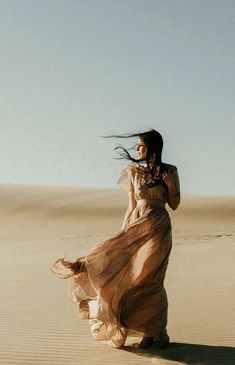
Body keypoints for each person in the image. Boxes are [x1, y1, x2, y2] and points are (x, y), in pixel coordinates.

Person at [51, 129, 180, 349]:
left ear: (152, 147)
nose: (137, 148)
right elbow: (131, 204)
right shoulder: (134, 171)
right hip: (136, 225)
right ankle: (85, 266)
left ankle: (153, 332)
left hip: (159, 227)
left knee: (151, 278)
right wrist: (123, 234)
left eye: (141, 144)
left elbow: (175, 204)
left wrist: (169, 185)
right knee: (125, 272)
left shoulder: (170, 170)